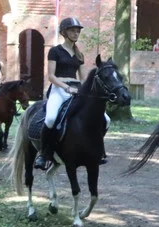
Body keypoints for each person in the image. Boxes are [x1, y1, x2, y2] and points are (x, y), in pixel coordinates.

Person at [35, 17, 110, 169]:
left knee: (106, 119)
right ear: (64, 32)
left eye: (78, 31)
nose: (76, 34)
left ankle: (96, 149)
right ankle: (44, 154)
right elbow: (51, 76)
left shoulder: (79, 54)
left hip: (76, 90)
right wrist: (66, 87)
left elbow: (83, 78)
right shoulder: (55, 51)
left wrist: (87, 92)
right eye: (73, 31)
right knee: (50, 119)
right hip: (59, 89)